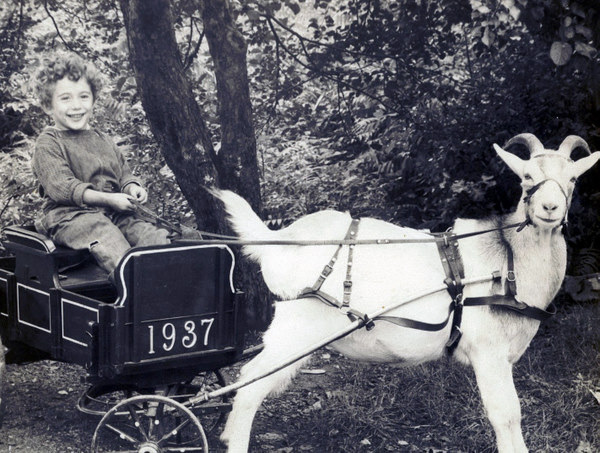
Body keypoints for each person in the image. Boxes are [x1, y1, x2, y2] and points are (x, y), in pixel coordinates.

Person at [30, 51, 170, 278]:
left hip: (113, 212)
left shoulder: (102, 139)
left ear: (93, 100)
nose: (76, 105)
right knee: (106, 235)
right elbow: (62, 187)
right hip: (69, 216)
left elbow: (123, 173)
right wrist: (108, 198)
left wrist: (132, 187)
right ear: (48, 105)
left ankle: (168, 287)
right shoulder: (49, 143)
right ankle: (137, 294)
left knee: (151, 236)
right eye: (65, 98)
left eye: (83, 96)